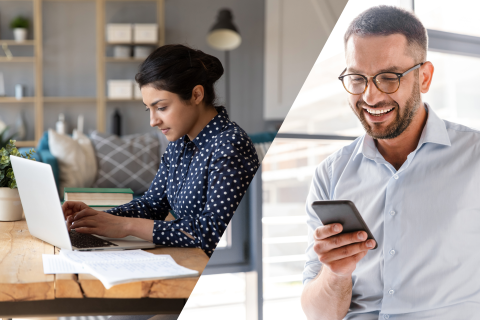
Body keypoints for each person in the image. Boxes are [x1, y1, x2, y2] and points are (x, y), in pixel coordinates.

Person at [301, 5, 480, 320]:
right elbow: (319, 315)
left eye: (388, 77)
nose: (370, 97)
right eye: (358, 78)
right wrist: (337, 274)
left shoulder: (474, 156)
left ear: (424, 77)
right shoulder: (331, 173)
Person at [62, 44, 260, 258]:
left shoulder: (230, 145)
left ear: (196, 95)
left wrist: (127, 226)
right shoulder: (179, 143)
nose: (153, 121)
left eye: (162, 107)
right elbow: (152, 205)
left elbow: (211, 234)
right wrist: (96, 217)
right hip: (187, 257)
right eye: (149, 109)